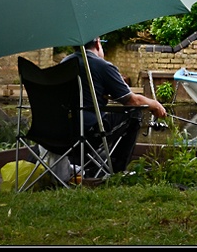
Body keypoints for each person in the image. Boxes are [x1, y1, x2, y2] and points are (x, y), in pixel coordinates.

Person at [61, 37, 167, 173]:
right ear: (98, 44)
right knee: (134, 113)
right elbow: (132, 101)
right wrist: (155, 104)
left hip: (61, 132)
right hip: (88, 132)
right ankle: (116, 170)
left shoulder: (64, 63)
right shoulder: (102, 65)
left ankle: (86, 166)